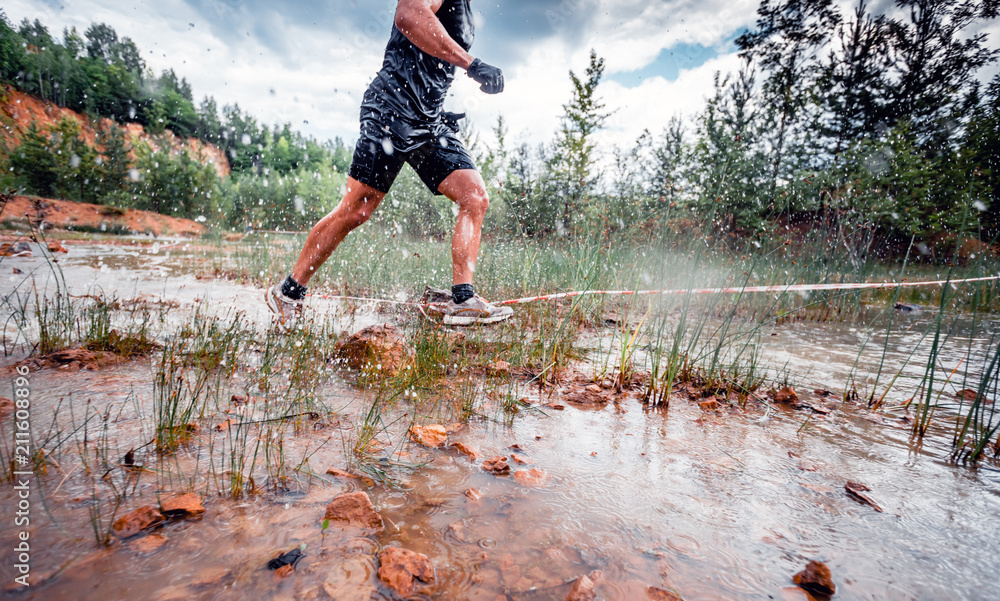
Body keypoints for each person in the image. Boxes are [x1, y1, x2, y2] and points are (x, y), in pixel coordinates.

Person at [265, 0, 513, 327]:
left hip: (429, 122)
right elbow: (408, 14)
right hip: (391, 109)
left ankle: (462, 299)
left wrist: (438, 100)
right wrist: (472, 64)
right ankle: (288, 292)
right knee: (357, 210)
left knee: (475, 197)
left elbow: (431, 56)